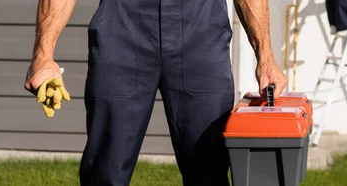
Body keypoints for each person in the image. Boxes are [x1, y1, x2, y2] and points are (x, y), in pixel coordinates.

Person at [23, 0, 288, 185]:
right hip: (122, 28)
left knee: (208, 171)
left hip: (201, 32)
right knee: (105, 172)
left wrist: (265, 57)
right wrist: (43, 55)